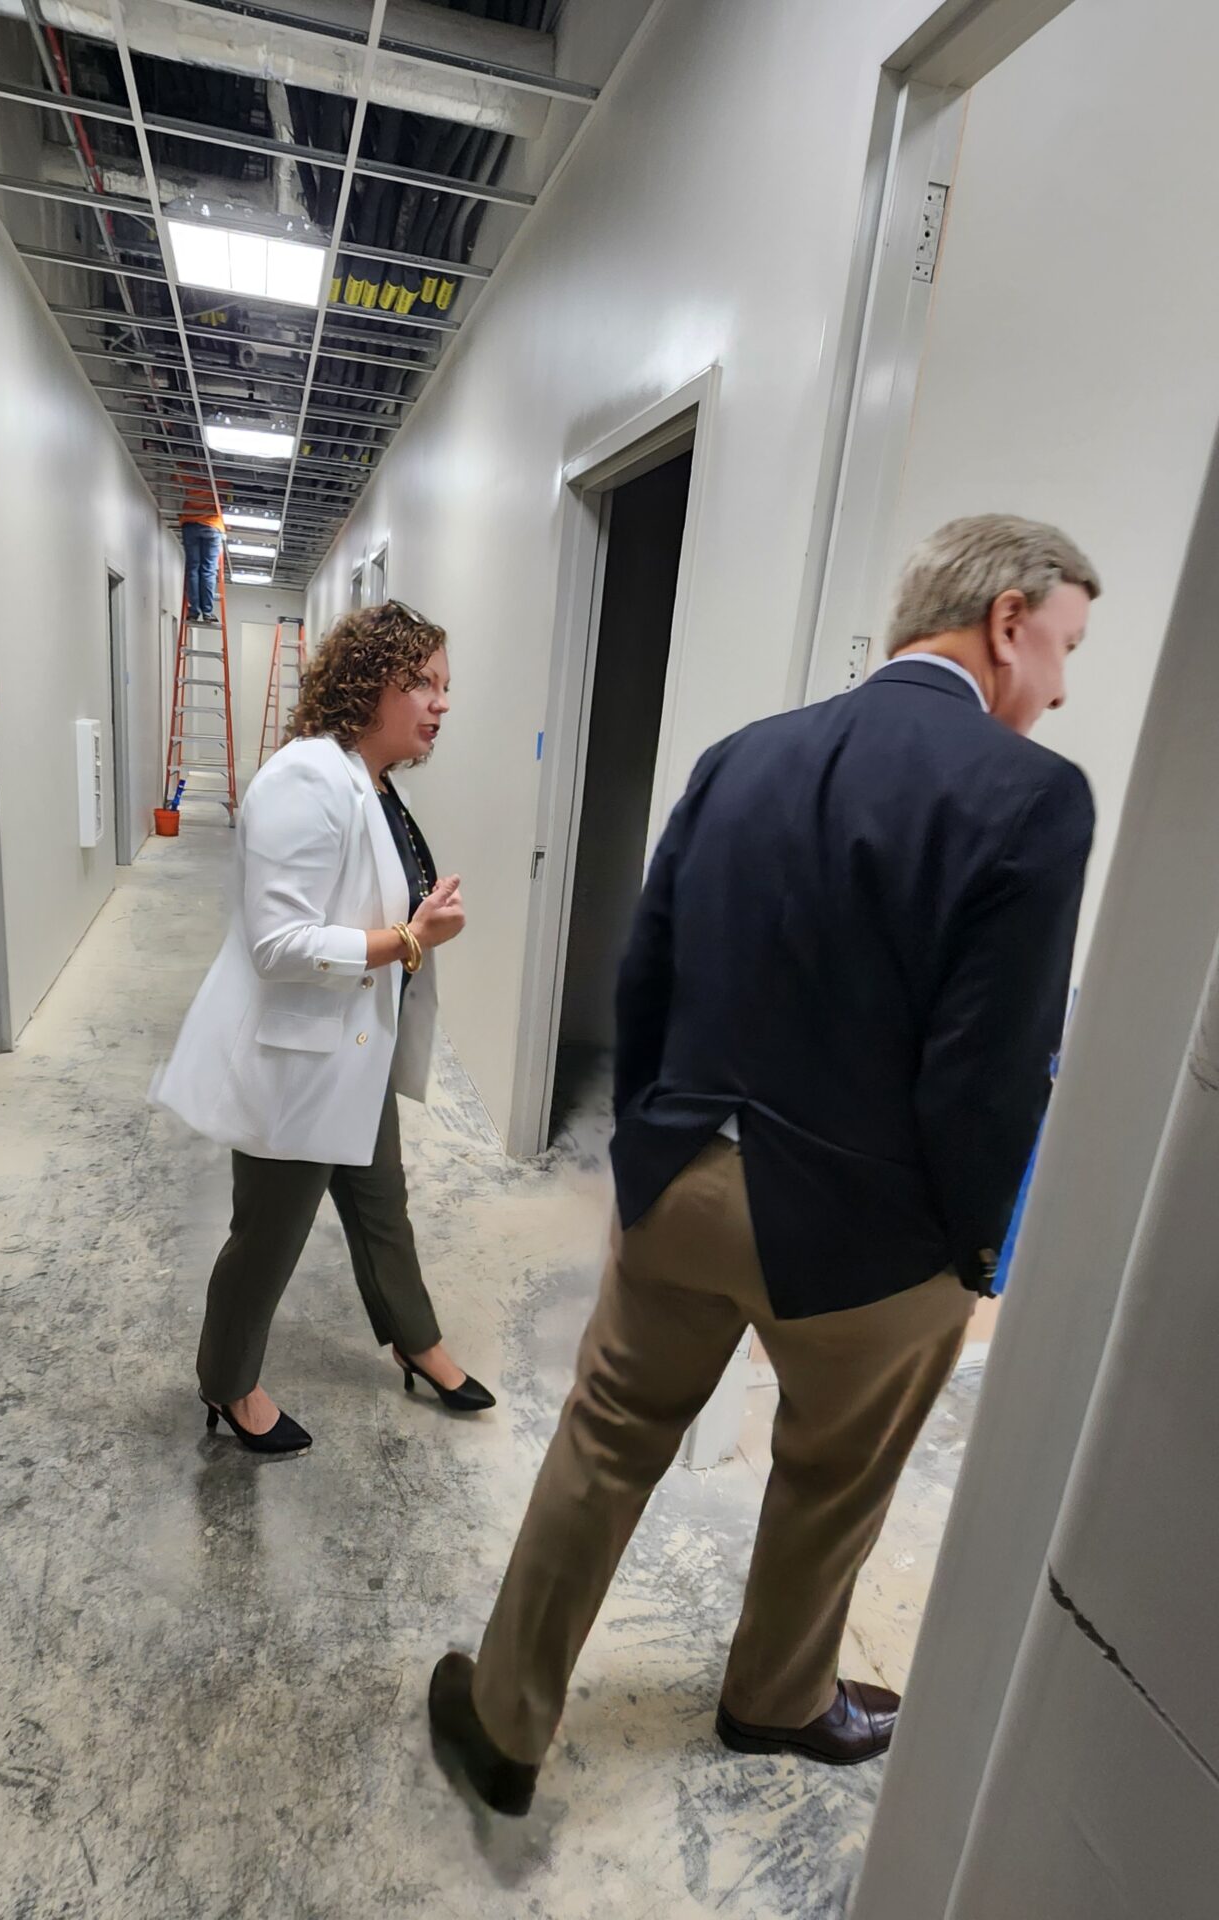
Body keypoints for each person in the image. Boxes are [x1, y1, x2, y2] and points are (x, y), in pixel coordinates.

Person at [429, 514, 1099, 1814]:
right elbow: (989, 1067)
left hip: (683, 1185)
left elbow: (648, 974)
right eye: (1064, 647)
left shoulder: (743, 756)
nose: (1063, 687)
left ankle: (506, 1725)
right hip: (872, 1234)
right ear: (1007, 620)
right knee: (834, 1479)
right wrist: (973, 1254)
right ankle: (779, 1700)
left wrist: (646, 1162)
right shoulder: (1034, 796)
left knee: (605, 1440)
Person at [152, 600, 495, 1456]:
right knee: (267, 1239)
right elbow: (278, 945)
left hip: (356, 1050)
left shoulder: (374, 782)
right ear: (370, 683)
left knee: (383, 1212)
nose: (441, 702)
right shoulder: (305, 778)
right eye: (423, 682)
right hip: (299, 1061)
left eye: (445, 684)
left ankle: (417, 1342)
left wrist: (412, 925)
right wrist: (410, 938)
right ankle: (228, 1382)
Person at [175, 464, 224, 624]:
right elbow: (228, 489)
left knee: (193, 569)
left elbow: (175, 477)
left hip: (190, 524)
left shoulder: (188, 475)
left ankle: (194, 610)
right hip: (212, 525)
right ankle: (207, 612)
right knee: (208, 570)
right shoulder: (218, 477)